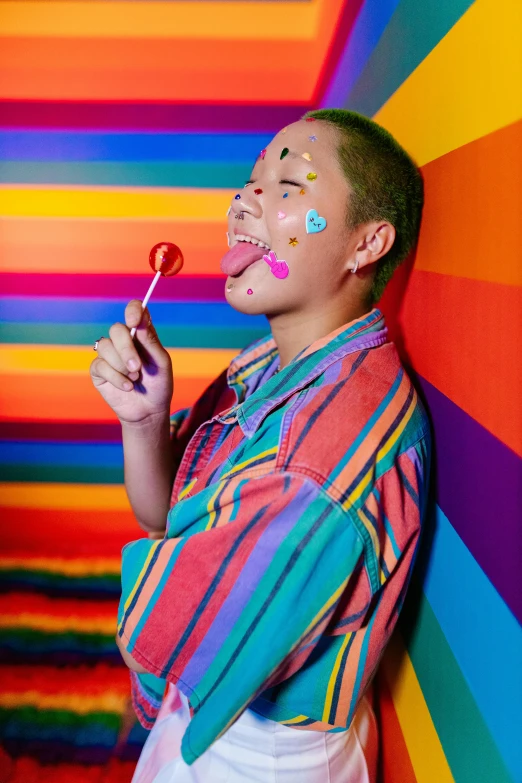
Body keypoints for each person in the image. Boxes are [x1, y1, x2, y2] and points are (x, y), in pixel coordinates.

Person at [89, 108, 431, 782]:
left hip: (258, 757)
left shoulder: (310, 465)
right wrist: (144, 419)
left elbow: (162, 636)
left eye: (287, 186)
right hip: (230, 713)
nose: (244, 198)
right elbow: (164, 515)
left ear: (367, 243)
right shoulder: (269, 367)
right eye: (250, 182)